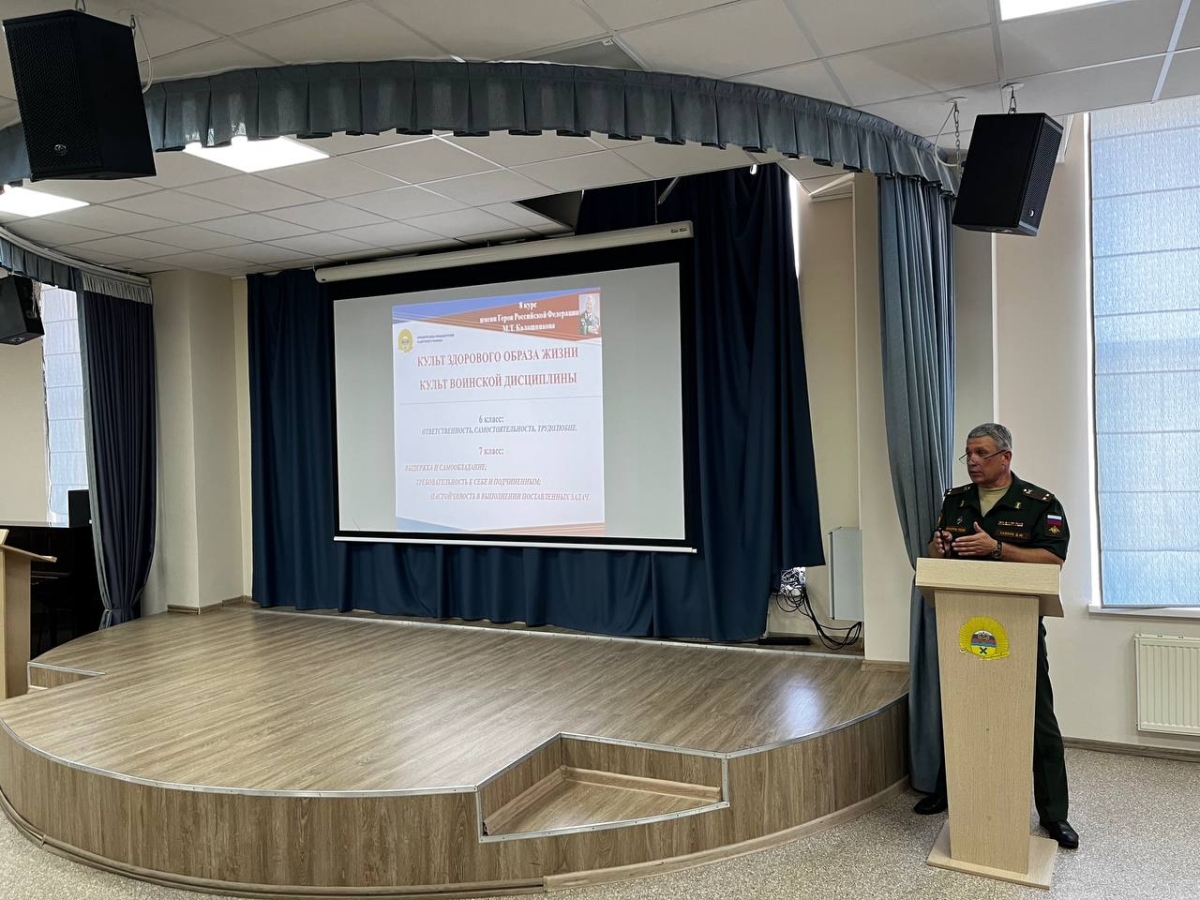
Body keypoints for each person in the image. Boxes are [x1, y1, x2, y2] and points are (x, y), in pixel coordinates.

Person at [914, 423, 1079, 851]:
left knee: (1039, 719)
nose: (972, 461)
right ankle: (949, 791)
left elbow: (1052, 560)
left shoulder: (1040, 503)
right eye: (968, 453)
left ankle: (1054, 814)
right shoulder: (956, 500)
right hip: (962, 622)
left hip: (1017, 626)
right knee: (959, 709)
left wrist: (998, 549)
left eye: (981, 453)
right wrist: (938, 548)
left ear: (1005, 457)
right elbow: (935, 553)